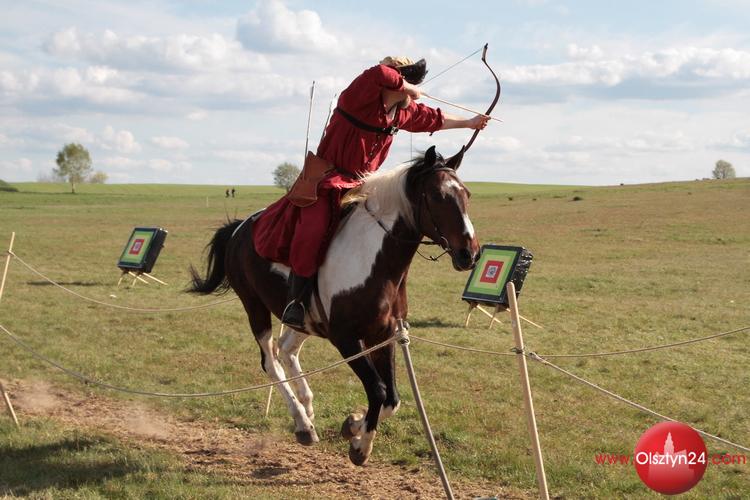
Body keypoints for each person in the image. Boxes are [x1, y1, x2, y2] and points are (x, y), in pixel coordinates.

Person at [253, 56, 490, 329]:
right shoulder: (359, 98)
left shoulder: (401, 112)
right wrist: (409, 87)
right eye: (407, 80)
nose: (411, 88)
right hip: (327, 181)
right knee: (313, 229)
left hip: (363, 185)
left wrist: (470, 122)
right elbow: (377, 73)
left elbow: (434, 118)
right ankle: (297, 299)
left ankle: (386, 302)